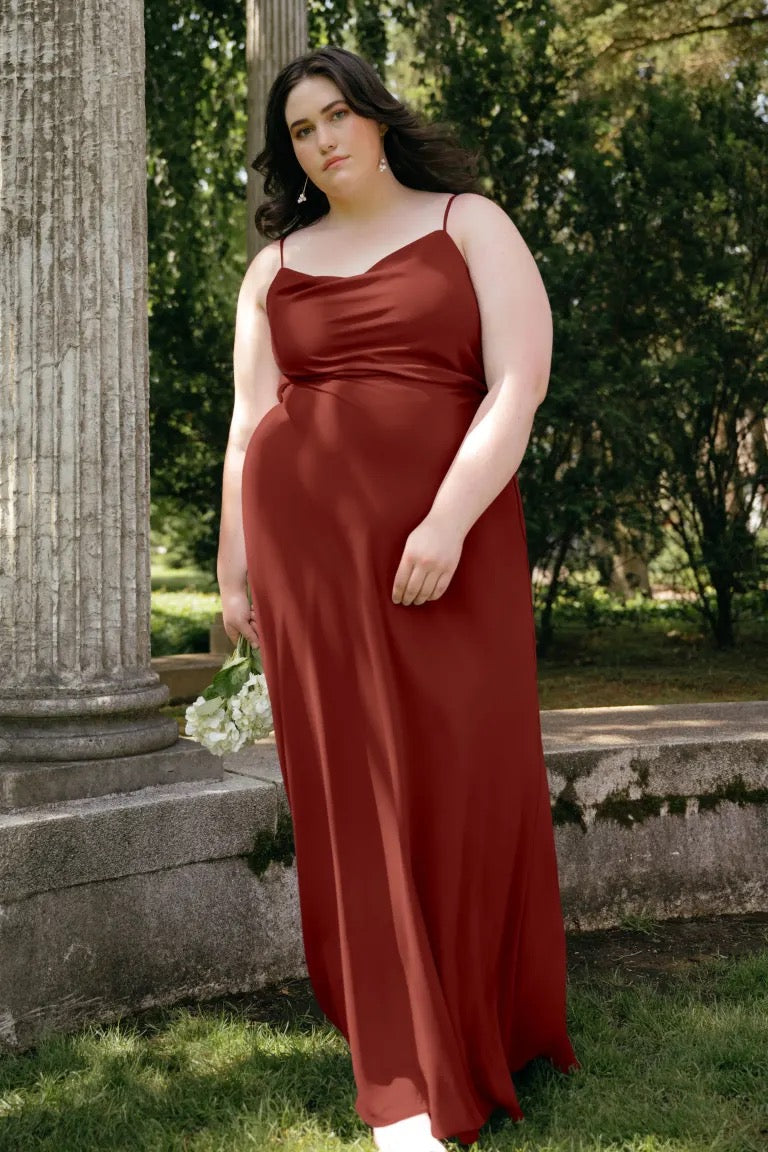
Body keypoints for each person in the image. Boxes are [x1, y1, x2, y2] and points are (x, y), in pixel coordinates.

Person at [217, 44, 580, 1152]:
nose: (324, 142)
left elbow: (520, 379)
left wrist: (448, 519)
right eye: (301, 131)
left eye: (337, 116)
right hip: (307, 563)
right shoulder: (275, 265)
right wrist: (234, 562)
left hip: (447, 551)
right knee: (352, 798)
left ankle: (483, 1020)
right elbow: (250, 416)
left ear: (375, 115)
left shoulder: (470, 222)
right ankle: (407, 1077)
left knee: (466, 778)